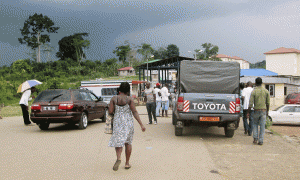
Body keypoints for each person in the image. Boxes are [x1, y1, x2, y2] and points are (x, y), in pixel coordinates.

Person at [108, 82, 146, 171]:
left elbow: (110, 111)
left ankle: (118, 158)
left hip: (118, 122)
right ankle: (127, 163)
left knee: (118, 141)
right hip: (128, 123)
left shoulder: (114, 98)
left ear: (120, 89)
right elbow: (134, 112)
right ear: (128, 90)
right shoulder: (129, 99)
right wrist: (141, 124)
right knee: (128, 142)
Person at [248, 77, 270, 145]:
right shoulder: (266, 91)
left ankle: (255, 138)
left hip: (256, 110)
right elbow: (268, 103)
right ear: (262, 83)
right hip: (263, 111)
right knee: (262, 126)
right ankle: (261, 141)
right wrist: (267, 111)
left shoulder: (254, 91)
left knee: (255, 124)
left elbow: (251, 103)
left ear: (255, 83)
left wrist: (248, 112)